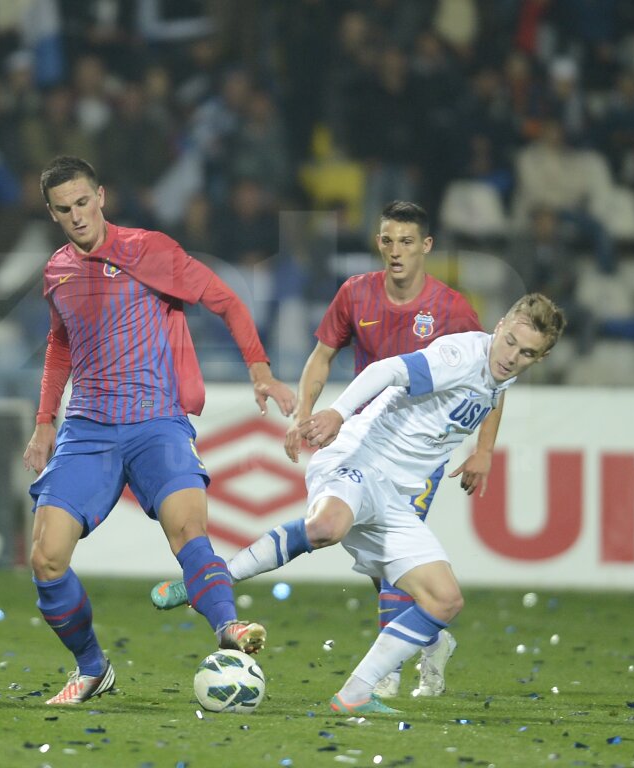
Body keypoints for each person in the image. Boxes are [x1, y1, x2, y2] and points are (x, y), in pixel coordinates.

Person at [152, 201, 499, 699]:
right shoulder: (356, 294)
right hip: (359, 443)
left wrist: (483, 449)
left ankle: (388, 672)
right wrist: (303, 416)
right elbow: (321, 357)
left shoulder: (453, 310)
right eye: (387, 240)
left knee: (386, 556)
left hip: (415, 456)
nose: (396, 251)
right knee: (379, 555)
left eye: (406, 241)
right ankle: (430, 639)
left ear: (426, 247)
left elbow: (491, 382)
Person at [201, 294, 564, 714]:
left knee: (444, 600)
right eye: (511, 342)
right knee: (326, 527)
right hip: (359, 461)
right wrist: (337, 413)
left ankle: (356, 693)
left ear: (541, 357)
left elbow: (494, 390)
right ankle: (211, 579)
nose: (513, 357)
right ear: (500, 326)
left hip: (394, 495)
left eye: (527, 353)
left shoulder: (502, 370)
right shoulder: (462, 354)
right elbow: (386, 368)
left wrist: (484, 449)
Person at [22, 156, 297, 705]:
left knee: (187, 528)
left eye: (83, 202)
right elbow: (59, 345)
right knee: (46, 559)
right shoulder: (56, 272)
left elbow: (226, 299)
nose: (77, 216)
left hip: (156, 421)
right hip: (88, 429)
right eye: (64, 209)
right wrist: (44, 423)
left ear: (101, 196)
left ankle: (229, 629)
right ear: (51, 214)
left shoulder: (149, 250)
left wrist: (259, 368)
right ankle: (92, 667)